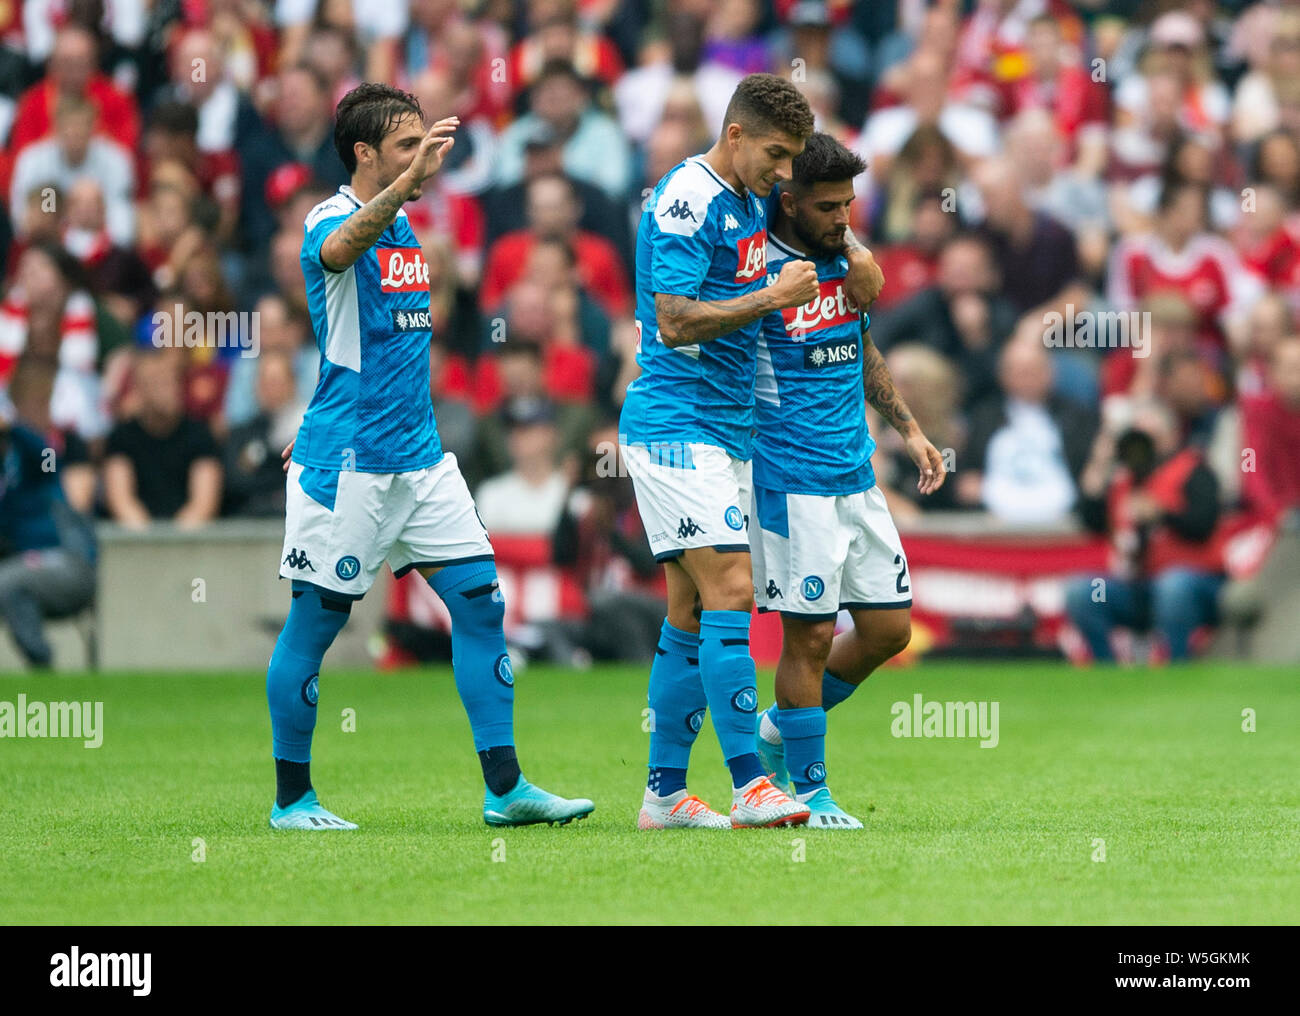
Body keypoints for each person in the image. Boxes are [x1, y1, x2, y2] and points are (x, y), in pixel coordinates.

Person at [268, 83, 592, 830]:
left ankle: (506, 789)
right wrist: (324, 425)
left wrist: (407, 193)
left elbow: (364, 344)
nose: (423, 160)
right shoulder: (333, 215)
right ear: (364, 154)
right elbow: (336, 255)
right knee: (316, 628)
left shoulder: (409, 226)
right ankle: (293, 799)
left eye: (424, 144)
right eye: (405, 147)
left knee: (482, 605)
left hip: (420, 459)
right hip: (348, 467)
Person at [620, 73, 884, 831]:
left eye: (792, 157)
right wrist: (773, 299)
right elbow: (672, 320)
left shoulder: (746, 195)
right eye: (776, 155)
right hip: (676, 426)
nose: (784, 172)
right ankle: (749, 784)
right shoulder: (688, 200)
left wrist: (857, 248)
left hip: (726, 431)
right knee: (733, 590)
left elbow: (823, 213)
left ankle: (664, 795)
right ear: (735, 134)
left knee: (690, 607)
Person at [749, 133, 946, 829]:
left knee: (890, 629)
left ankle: (777, 728)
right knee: (805, 638)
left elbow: (860, 346)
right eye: (829, 206)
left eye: (850, 205)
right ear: (788, 201)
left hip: (855, 475)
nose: (843, 217)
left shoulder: (843, 258)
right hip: (789, 478)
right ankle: (809, 791)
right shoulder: (757, 268)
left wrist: (910, 430)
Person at [0, 398, 97, 670]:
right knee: (10, 583)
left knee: (5, 581)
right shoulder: (8, 482)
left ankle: (42, 664)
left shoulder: (41, 467)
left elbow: (44, 452)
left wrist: (12, 426)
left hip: (69, 563)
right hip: (25, 568)